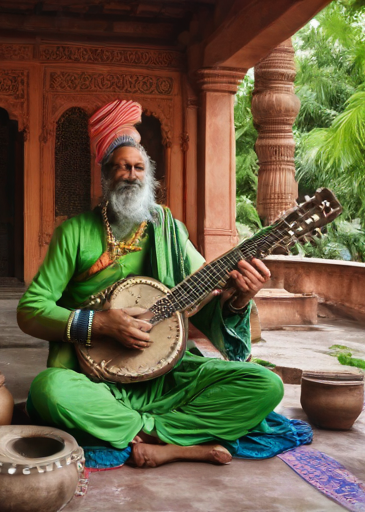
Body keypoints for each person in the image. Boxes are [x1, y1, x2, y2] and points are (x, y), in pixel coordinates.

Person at [17, 100, 308, 468]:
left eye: (139, 166)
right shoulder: (74, 233)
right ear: (105, 175)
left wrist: (238, 300)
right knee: (48, 391)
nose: (131, 174)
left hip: (166, 374)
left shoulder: (170, 230)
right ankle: (178, 439)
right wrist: (101, 323)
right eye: (121, 166)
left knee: (265, 385)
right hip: (93, 376)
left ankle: (146, 434)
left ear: (149, 176)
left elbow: (203, 303)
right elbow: (30, 310)